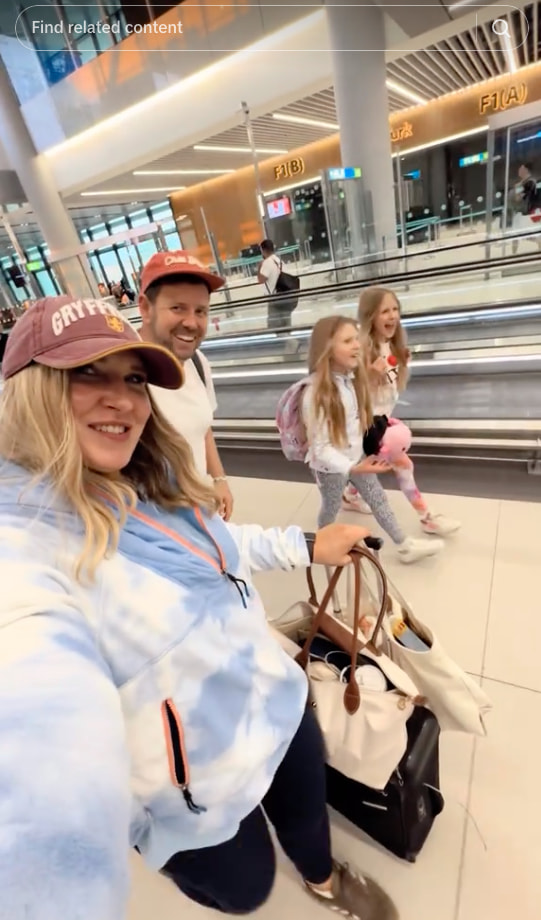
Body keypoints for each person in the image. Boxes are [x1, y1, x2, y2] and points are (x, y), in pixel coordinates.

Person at [0, 294, 398, 920]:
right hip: (196, 787)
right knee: (245, 889)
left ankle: (322, 877)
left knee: (306, 808)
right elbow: (36, 727)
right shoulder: (26, 546)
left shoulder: (149, 475)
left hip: (273, 695)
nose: (123, 398)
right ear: (30, 391)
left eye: (133, 378)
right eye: (87, 375)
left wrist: (305, 544)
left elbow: (219, 546)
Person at [302, 314, 443, 564]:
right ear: (327, 349)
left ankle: (404, 544)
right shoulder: (316, 393)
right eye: (348, 341)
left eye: (357, 338)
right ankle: (321, 543)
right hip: (331, 469)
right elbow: (320, 448)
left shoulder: (349, 381)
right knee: (331, 507)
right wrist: (354, 467)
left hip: (357, 458)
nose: (357, 345)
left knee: (378, 498)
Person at [353, 288, 460, 538]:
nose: (392, 316)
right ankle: (426, 517)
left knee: (368, 469)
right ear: (370, 316)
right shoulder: (361, 351)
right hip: (365, 425)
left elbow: (391, 389)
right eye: (384, 311)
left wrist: (402, 365)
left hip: (380, 421)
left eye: (395, 309)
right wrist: (367, 375)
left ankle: (350, 495)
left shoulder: (391, 346)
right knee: (403, 464)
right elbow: (349, 393)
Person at [138, 250, 234, 520]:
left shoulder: (198, 362)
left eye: (201, 311)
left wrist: (218, 478)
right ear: (145, 308)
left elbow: (204, 430)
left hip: (200, 508)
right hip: (155, 524)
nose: (191, 323)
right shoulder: (122, 374)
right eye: (177, 308)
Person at [257, 238, 294, 330]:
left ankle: (293, 343)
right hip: (286, 297)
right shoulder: (279, 261)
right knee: (286, 326)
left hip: (275, 299)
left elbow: (261, 280)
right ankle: (290, 343)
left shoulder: (267, 263)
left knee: (273, 327)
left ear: (263, 250)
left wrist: (259, 267)